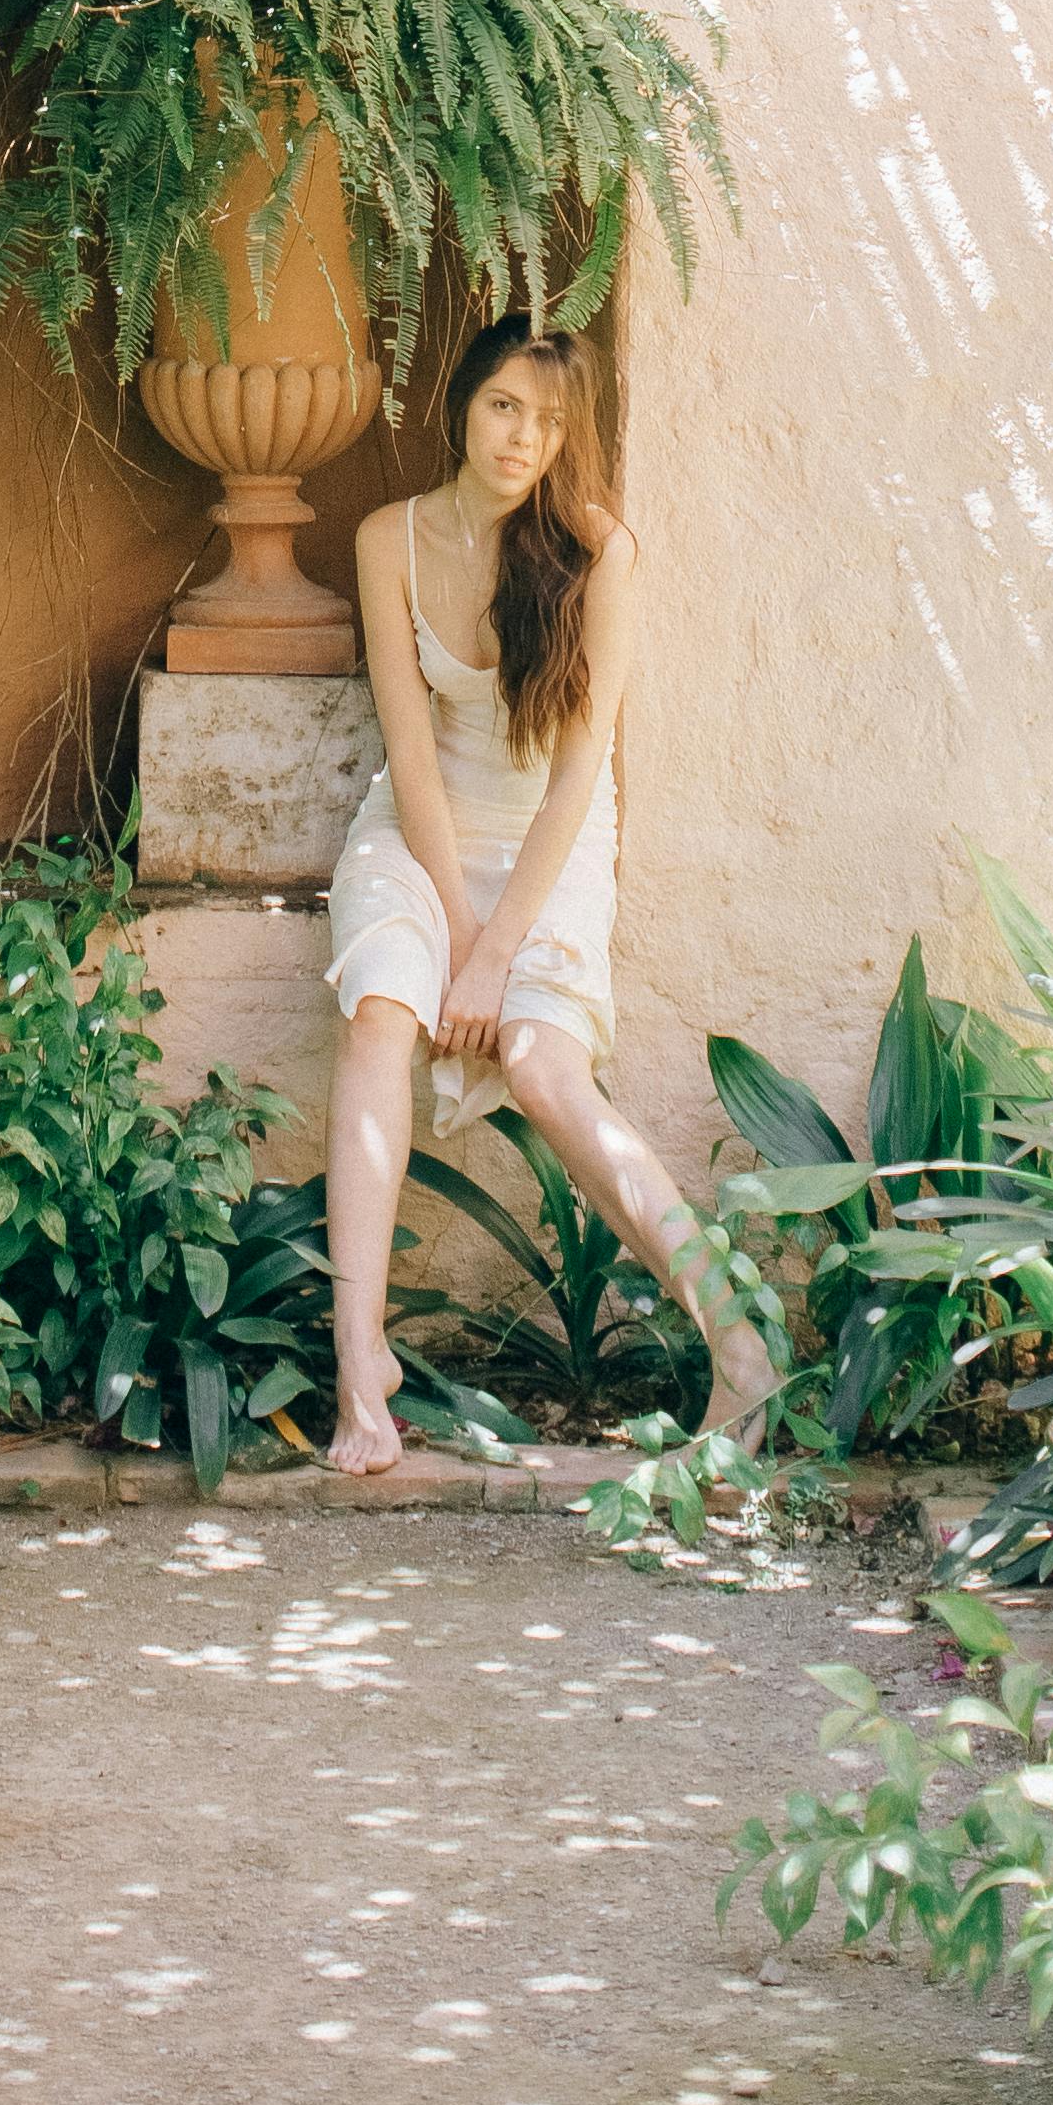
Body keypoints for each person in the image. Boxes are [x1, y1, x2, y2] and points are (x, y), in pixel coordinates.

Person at [316, 314, 776, 1475]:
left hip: (547, 843)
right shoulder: (388, 539)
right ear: (462, 407)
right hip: (416, 833)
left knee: (537, 1061)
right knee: (380, 1011)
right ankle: (358, 1366)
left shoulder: (594, 551)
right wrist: (454, 938)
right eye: (503, 407)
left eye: (549, 418)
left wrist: (495, 950)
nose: (523, 436)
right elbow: (409, 754)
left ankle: (737, 1342)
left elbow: (578, 771)